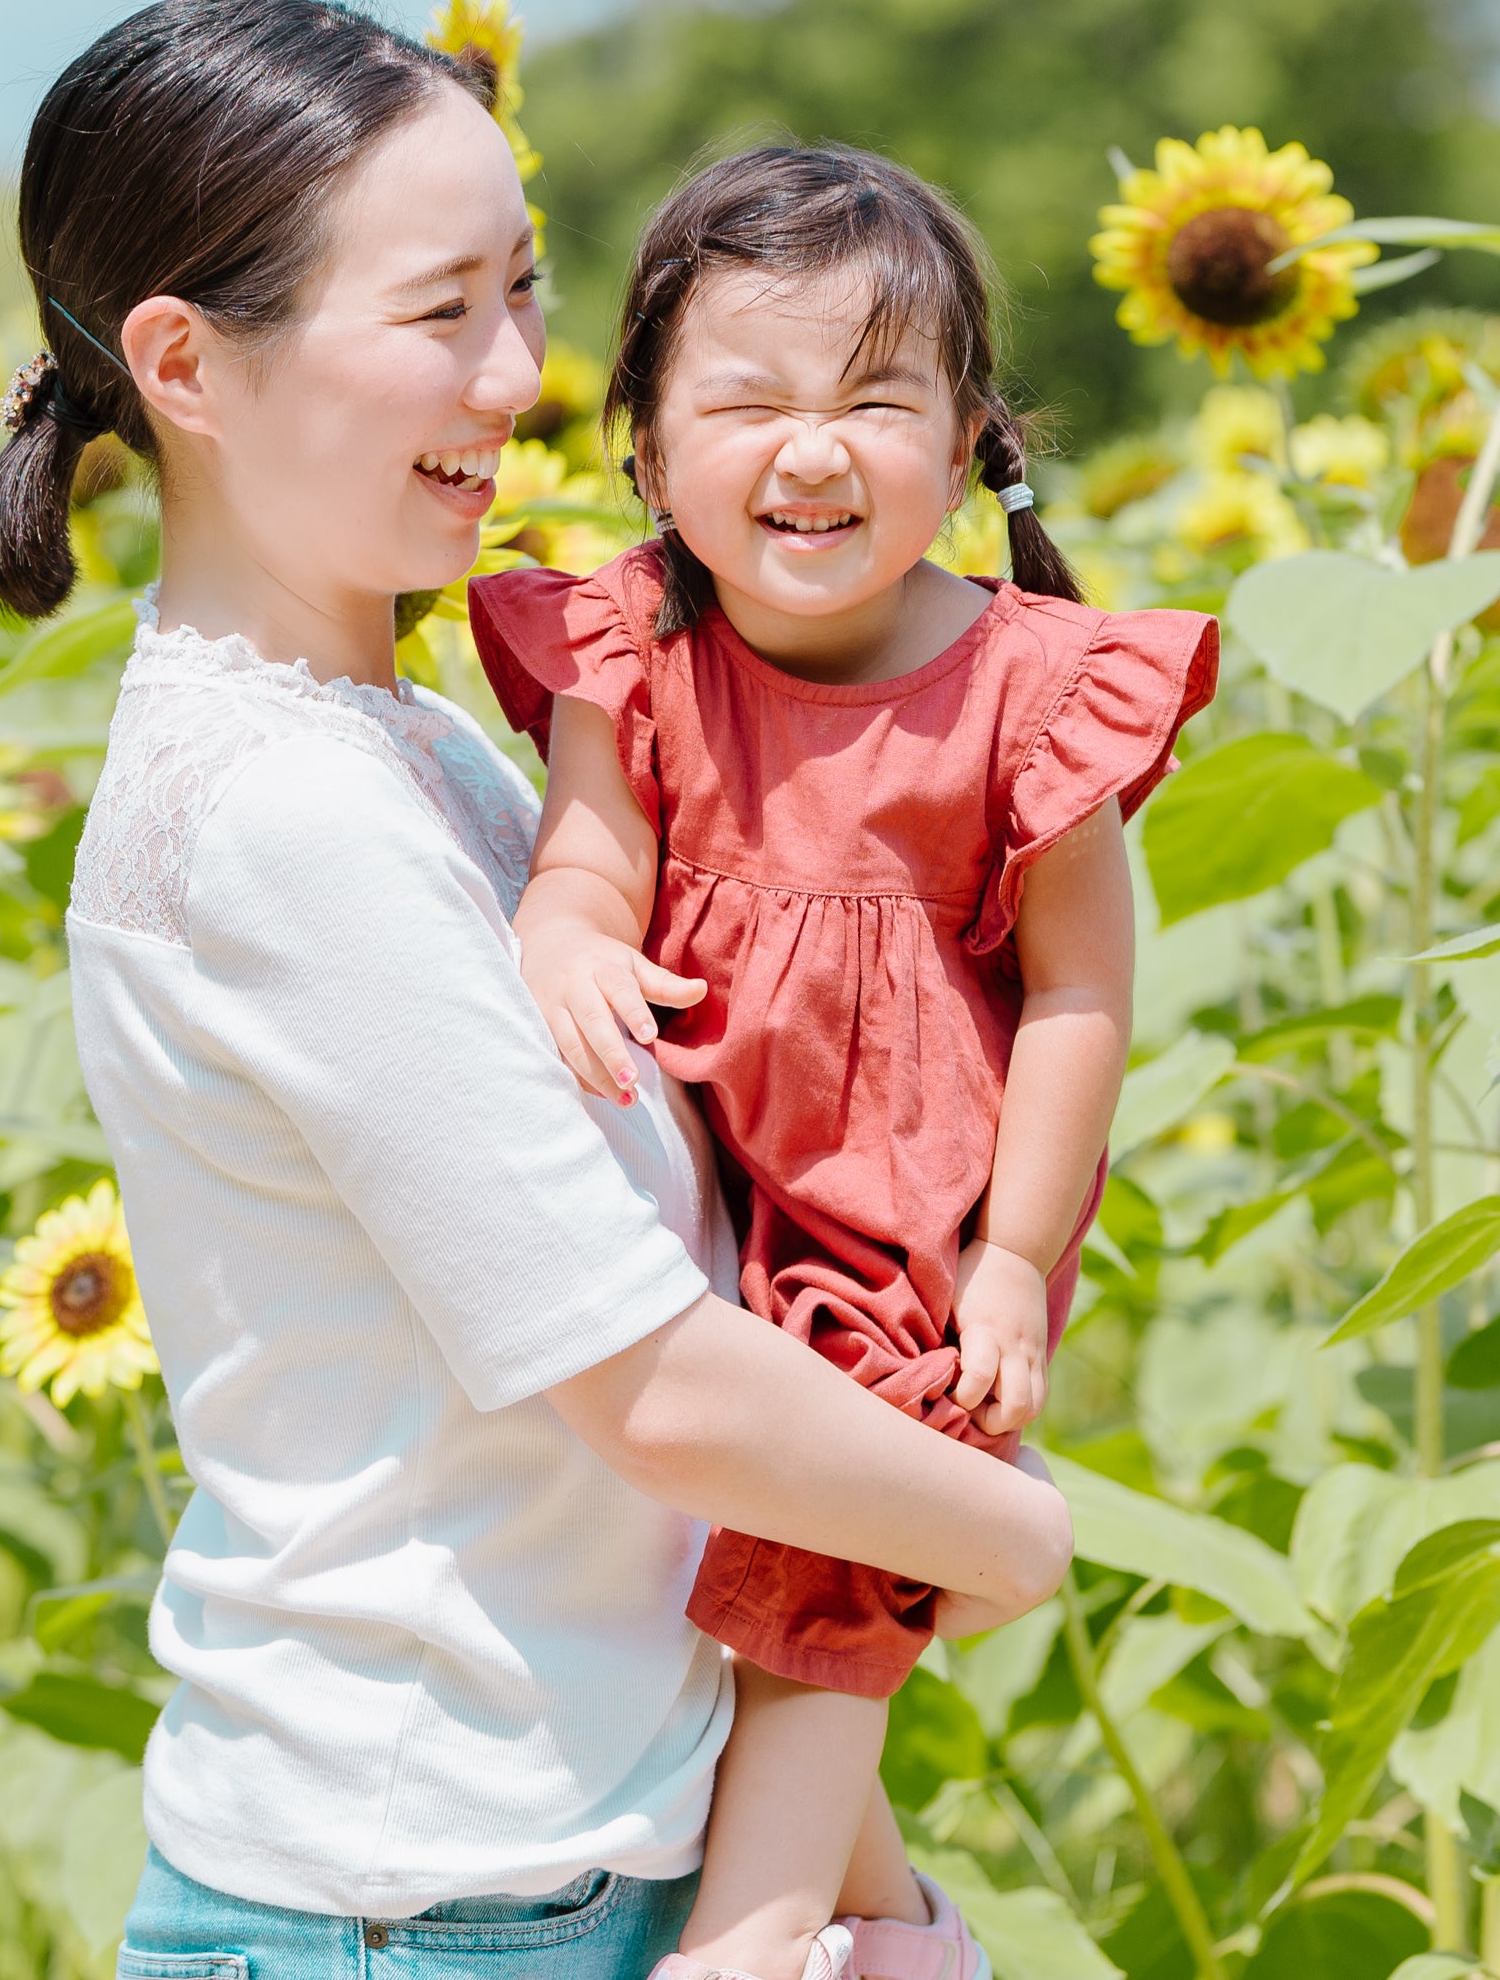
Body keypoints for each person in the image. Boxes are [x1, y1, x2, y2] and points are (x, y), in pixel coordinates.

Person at [0, 0, 1072, 1977]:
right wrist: (1002, 1532)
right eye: (439, 312)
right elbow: (645, 1382)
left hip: (570, 1856)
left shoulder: (440, 752)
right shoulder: (279, 814)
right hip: (417, 1906)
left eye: (526, 289)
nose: (518, 374)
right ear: (185, 364)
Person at [469, 148, 1214, 1980]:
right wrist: (565, 934)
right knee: (714, 1568)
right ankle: (892, 1929)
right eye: (746, 401)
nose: (812, 451)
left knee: (821, 1554)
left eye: (875, 401)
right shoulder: (633, 639)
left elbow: (1081, 995)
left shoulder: (1030, 685)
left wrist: (1020, 1256)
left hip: (907, 1208)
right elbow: (587, 857)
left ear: (969, 442)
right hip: (692, 1164)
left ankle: (758, 1929)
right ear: (646, 446)